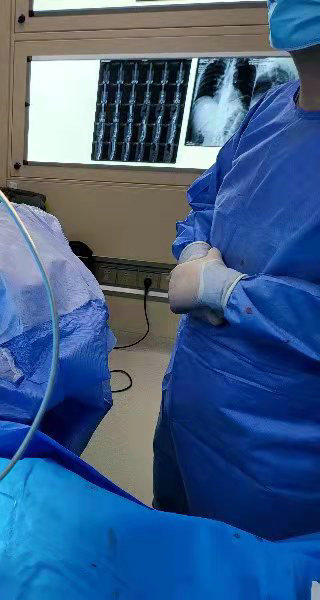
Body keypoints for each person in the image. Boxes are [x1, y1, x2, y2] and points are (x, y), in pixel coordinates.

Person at [154, 0, 320, 541]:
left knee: (246, 568)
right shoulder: (270, 107)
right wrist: (195, 251)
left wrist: (227, 292)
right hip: (193, 402)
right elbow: (209, 200)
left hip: (276, 456)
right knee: (173, 543)